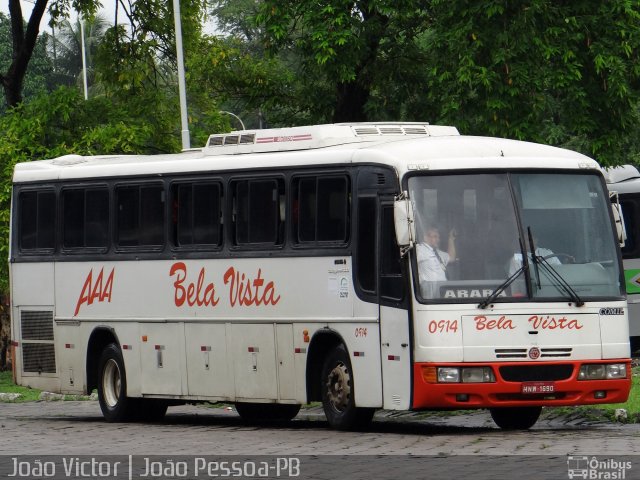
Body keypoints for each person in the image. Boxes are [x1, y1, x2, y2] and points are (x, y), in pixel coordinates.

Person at [416, 226, 457, 297]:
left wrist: (451, 239)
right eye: (435, 237)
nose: (438, 239)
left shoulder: (437, 252)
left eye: (438, 237)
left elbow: (451, 257)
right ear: (425, 238)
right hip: (429, 291)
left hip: (442, 290)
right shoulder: (420, 249)